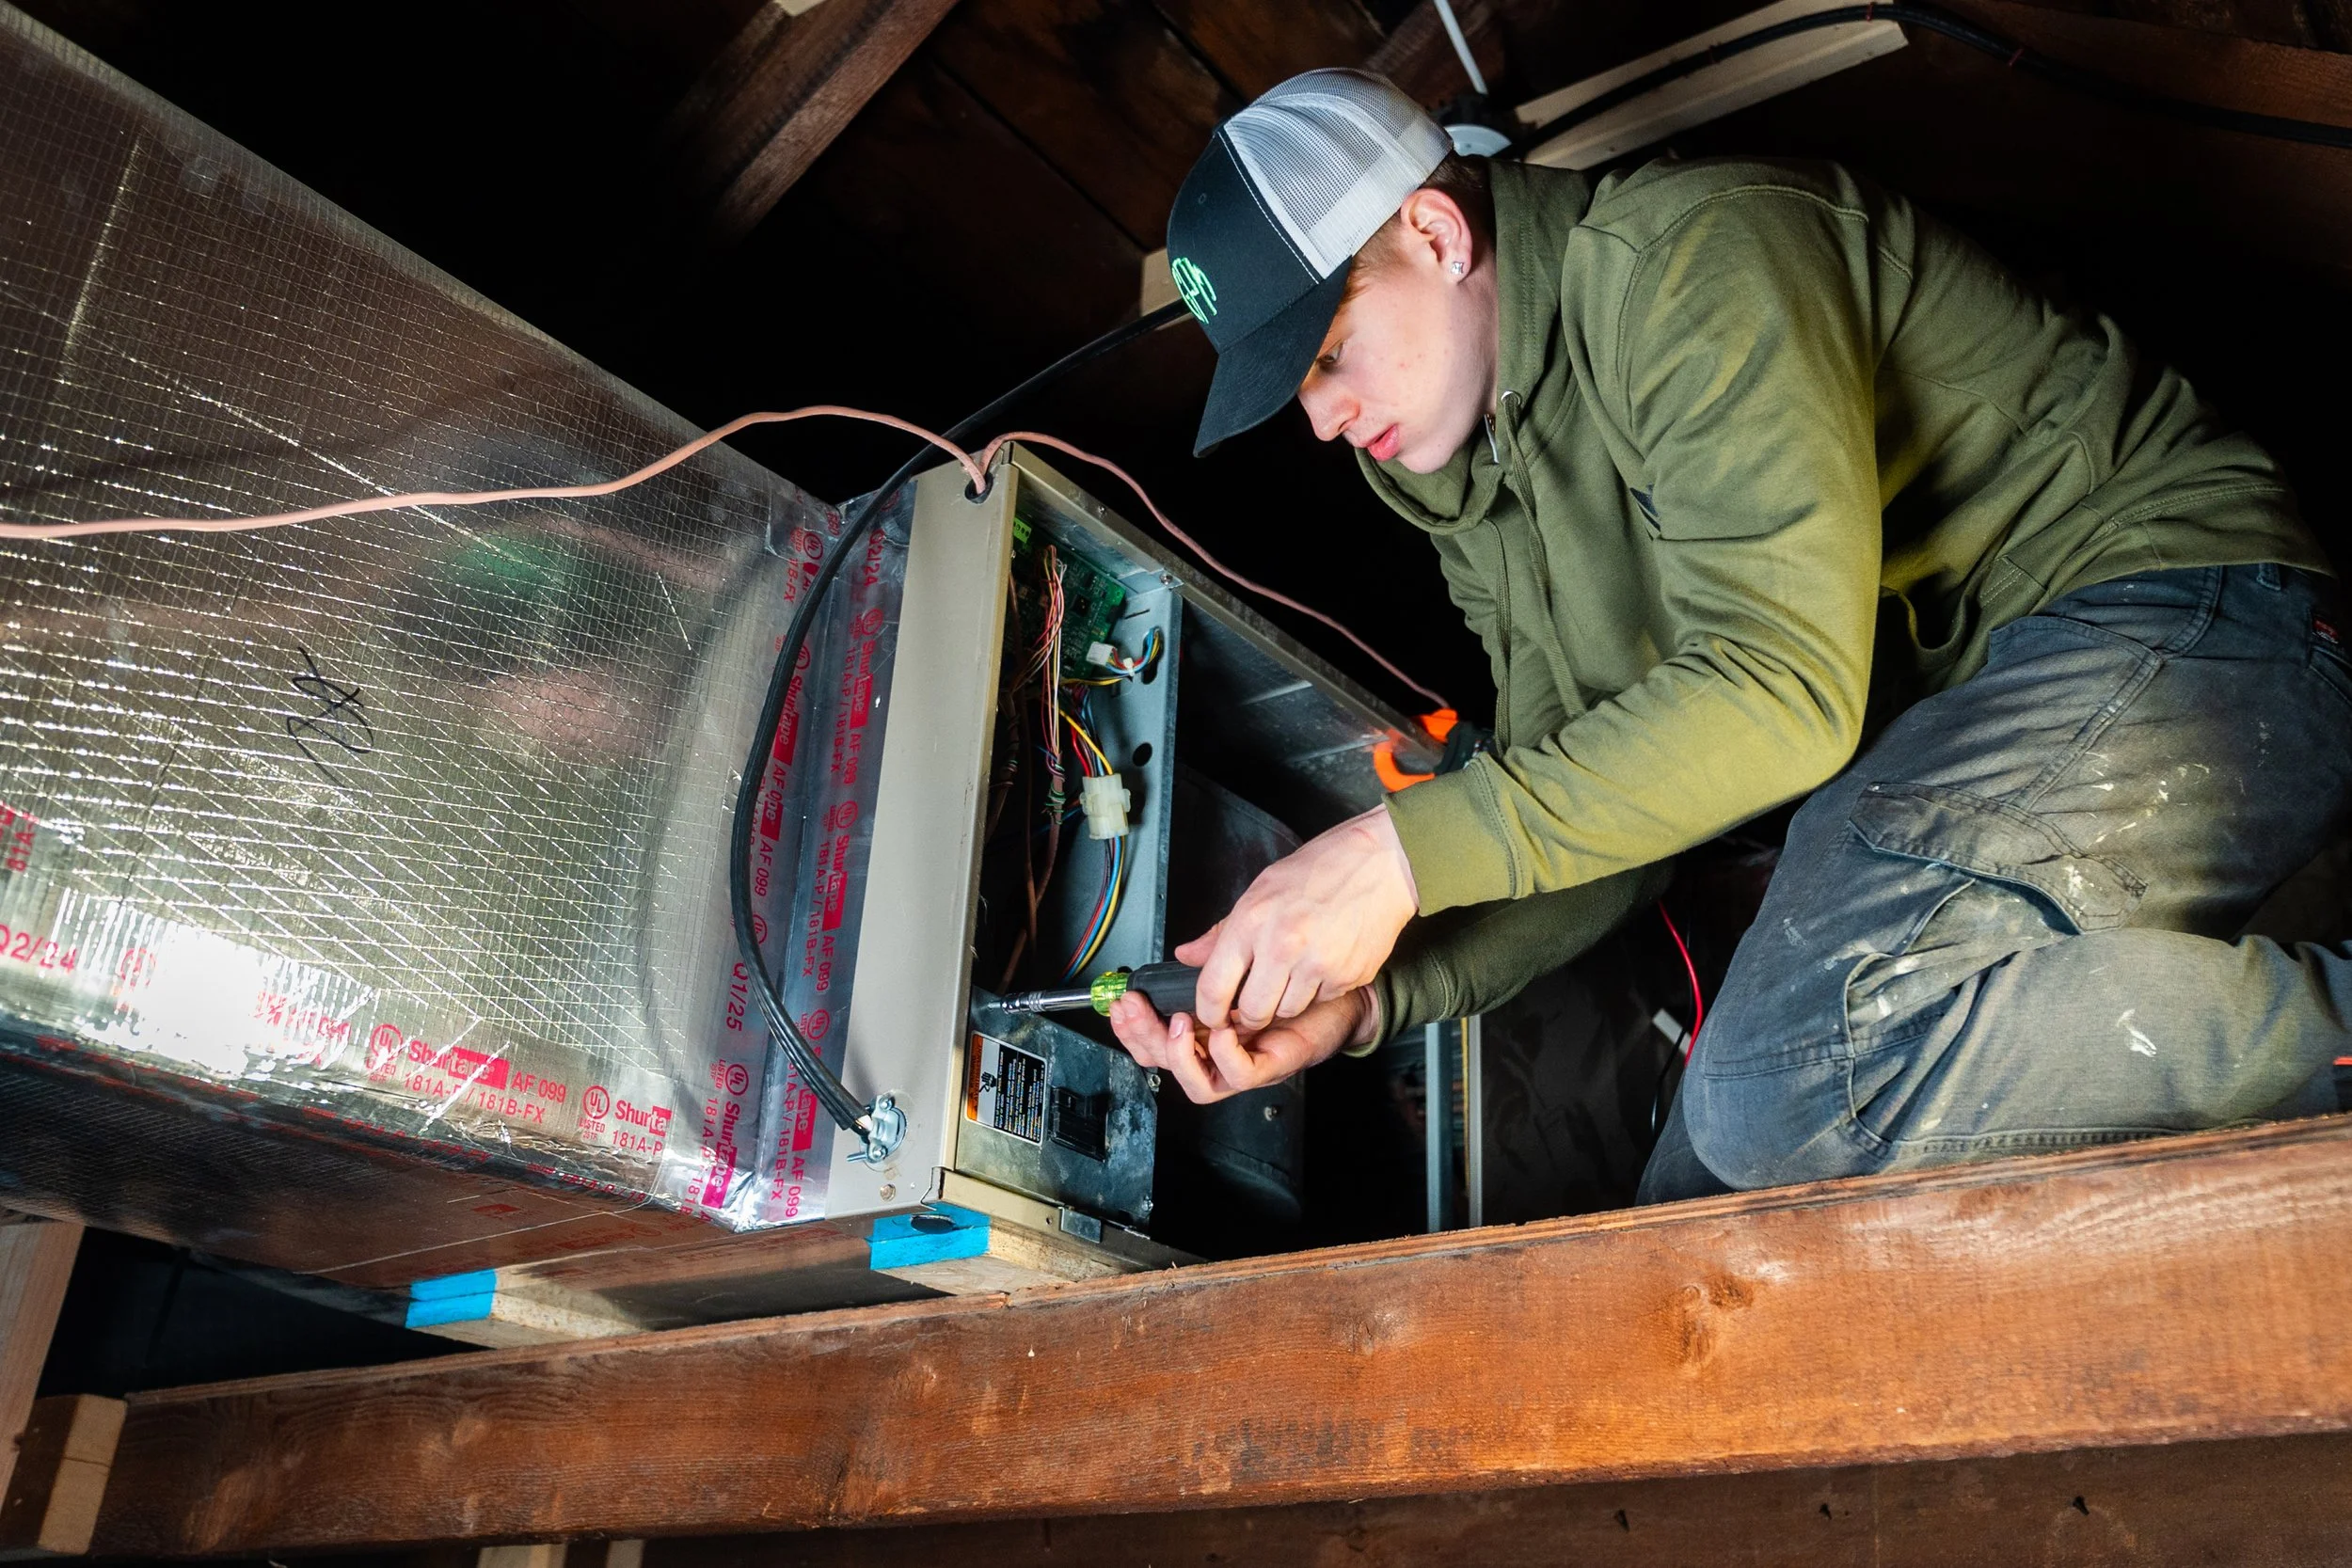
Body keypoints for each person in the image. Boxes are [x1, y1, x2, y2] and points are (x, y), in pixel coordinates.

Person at [1105, 68, 2352, 1200]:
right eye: (1298, 393)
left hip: (2193, 614)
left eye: (1330, 355)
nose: (1324, 422)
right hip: (1970, 730)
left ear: (1436, 234)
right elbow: (1595, 809)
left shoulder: (1688, 257)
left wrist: (1392, 858)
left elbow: (1783, 691)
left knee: (1791, 1082)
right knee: (1698, 1211)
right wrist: (1372, 997)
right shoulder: (1464, 472)